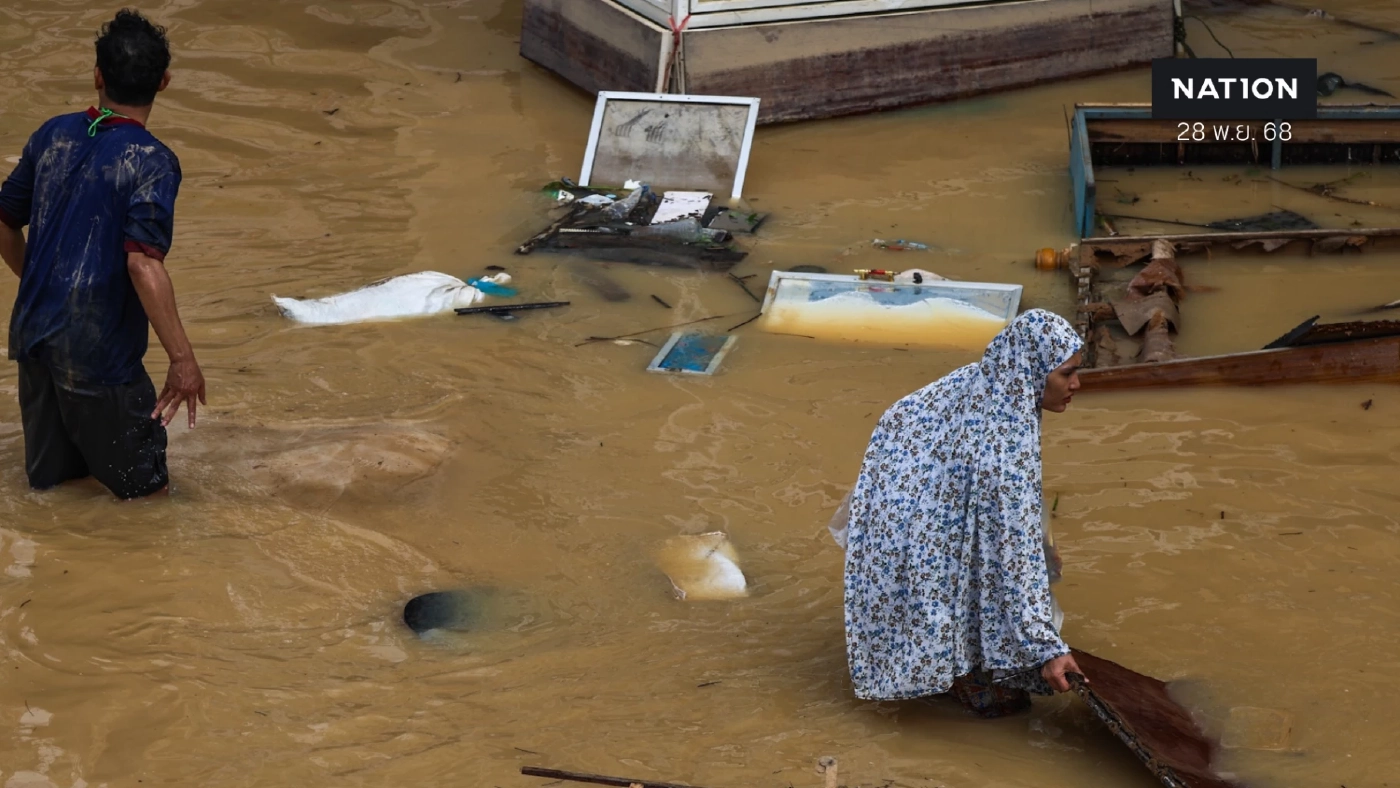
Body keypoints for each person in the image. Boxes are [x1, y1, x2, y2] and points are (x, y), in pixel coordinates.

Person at [838, 308, 1085, 718]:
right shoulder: (1003, 453)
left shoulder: (982, 379)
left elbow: (899, 419)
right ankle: (957, 679)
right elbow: (1013, 556)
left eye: (1077, 371)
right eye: (1065, 374)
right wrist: (1049, 649)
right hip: (929, 543)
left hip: (902, 528)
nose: (1076, 385)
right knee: (1007, 708)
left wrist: (1042, 548)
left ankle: (944, 670)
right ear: (1029, 371)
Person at [0, 9, 204, 500]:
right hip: (100, 357)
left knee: (56, 493)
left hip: (35, 340)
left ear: (97, 76)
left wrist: (43, 282)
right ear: (164, 82)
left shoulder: (51, 135)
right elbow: (142, 261)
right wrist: (183, 359)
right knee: (150, 500)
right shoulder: (152, 160)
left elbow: (3, 221)